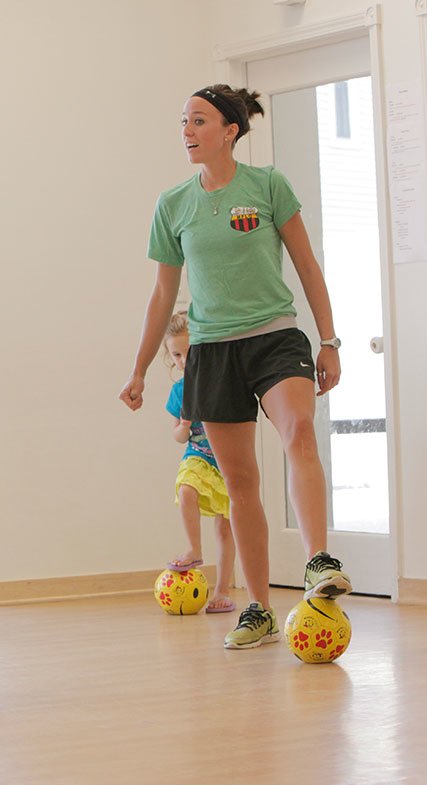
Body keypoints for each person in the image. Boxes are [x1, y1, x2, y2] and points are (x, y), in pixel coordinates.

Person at [119, 84, 352, 650]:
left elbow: (307, 265)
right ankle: (259, 610)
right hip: (213, 350)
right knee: (241, 483)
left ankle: (318, 561)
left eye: (199, 121)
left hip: (275, 337)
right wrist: (141, 368)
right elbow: (161, 296)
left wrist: (329, 341)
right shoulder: (173, 204)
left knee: (299, 431)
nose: (188, 131)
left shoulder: (268, 185)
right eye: (183, 122)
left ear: (230, 131)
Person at [162, 310, 235, 614]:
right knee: (186, 489)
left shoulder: (221, 380)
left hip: (226, 460)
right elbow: (179, 435)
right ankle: (194, 548)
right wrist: (185, 423)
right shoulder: (179, 391)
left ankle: (222, 590)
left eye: (188, 353)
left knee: (226, 527)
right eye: (176, 355)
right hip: (197, 456)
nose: (182, 361)